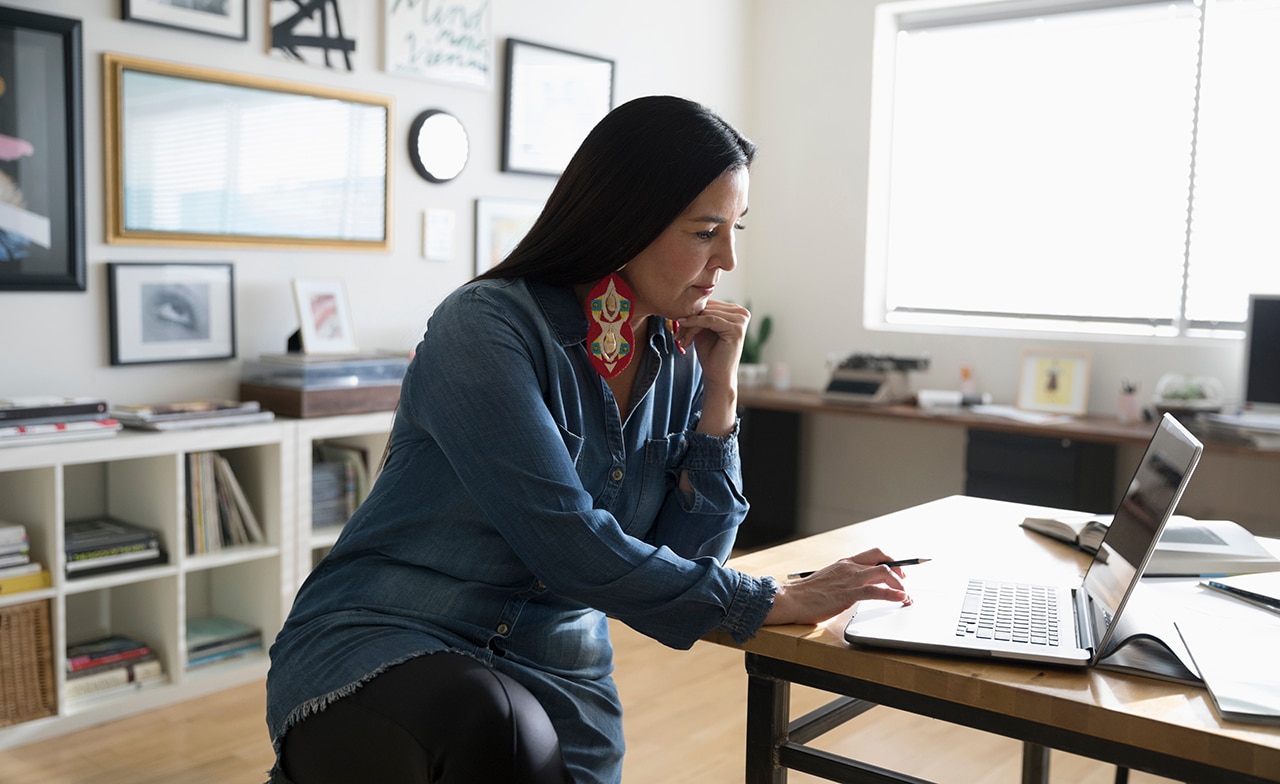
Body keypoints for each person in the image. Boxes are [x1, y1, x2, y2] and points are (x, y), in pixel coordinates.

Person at [264, 94, 912, 784]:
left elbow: (684, 554)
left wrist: (719, 397)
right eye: (704, 231)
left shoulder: (682, 356)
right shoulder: (484, 327)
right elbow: (567, 544)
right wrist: (768, 599)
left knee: (522, 736)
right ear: (625, 219)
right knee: (494, 725)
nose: (725, 259)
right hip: (395, 636)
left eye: (735, 231)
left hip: (561, 673)